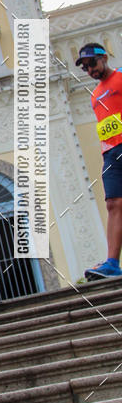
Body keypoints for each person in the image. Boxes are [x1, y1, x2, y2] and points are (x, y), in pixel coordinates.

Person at [75, 43, 122, 279]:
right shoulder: (95, 95)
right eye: (85, 68)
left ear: (103, 58)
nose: (89, 69)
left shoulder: (121, 77)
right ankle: (112, 263)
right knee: (113, 205)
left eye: (92, 63)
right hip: (111, 154)